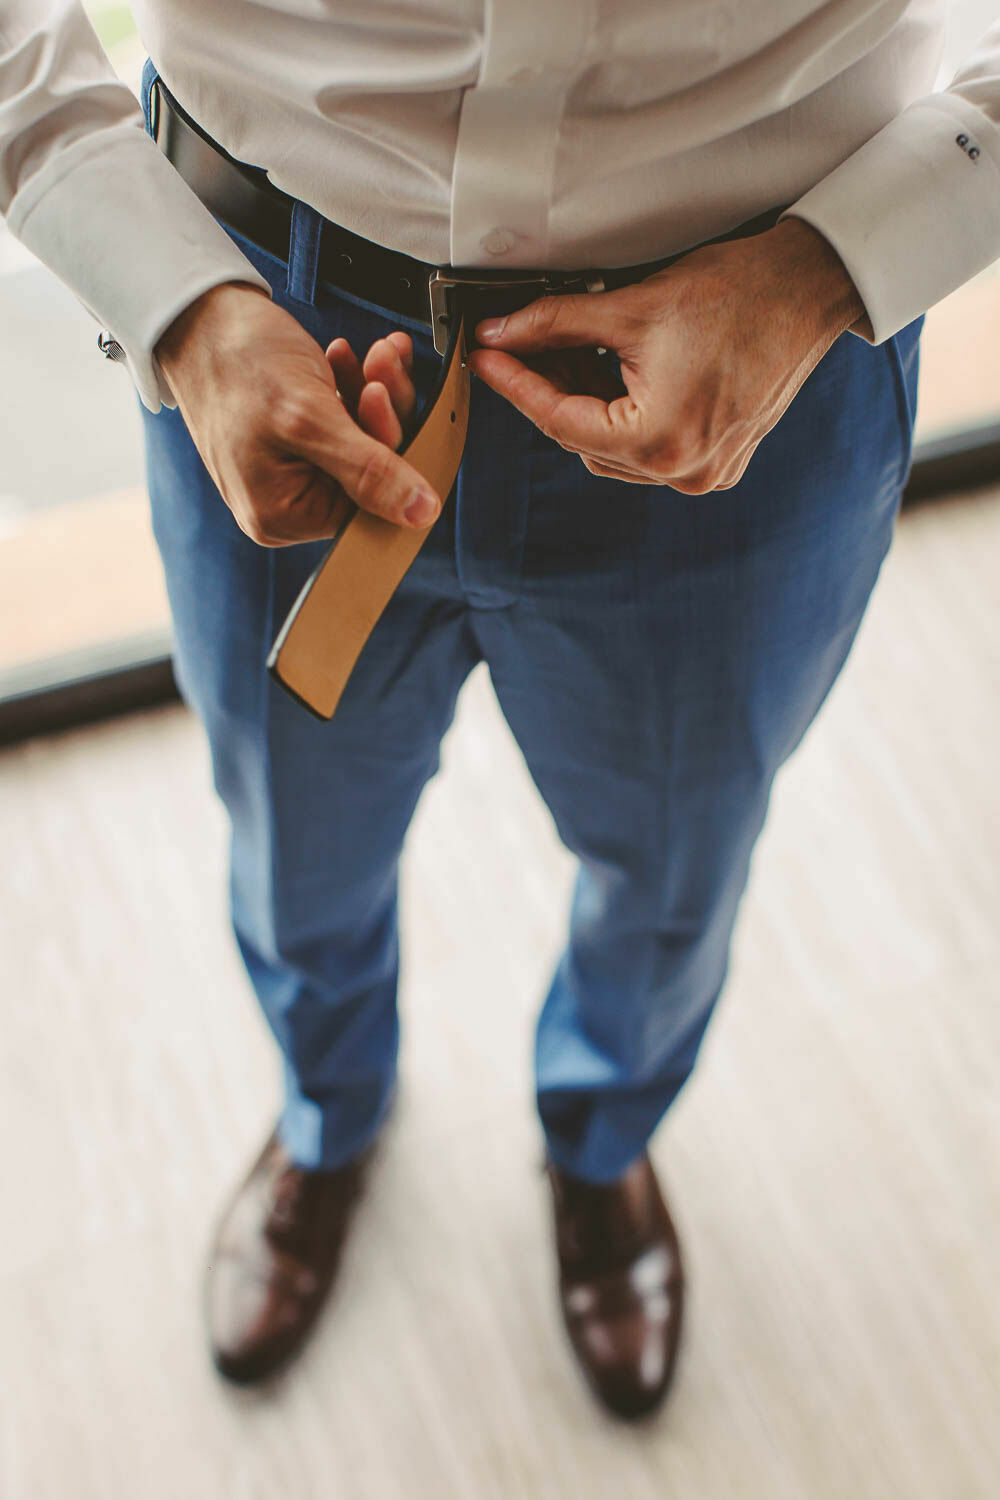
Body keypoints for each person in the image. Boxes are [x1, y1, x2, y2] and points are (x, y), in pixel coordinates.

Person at [2, 0, 998, 1419]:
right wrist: (160, 284)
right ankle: (326, 1113)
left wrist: (837, 270)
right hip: (268, 330)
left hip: (750, 367)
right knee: (297, 844)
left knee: (674, 862)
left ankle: (602, 1139)